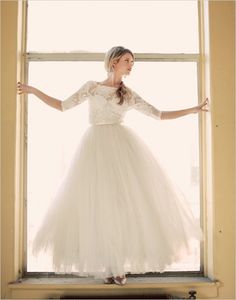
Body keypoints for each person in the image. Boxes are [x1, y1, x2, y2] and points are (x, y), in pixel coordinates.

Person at [17, 46, 209, 286]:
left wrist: (192, 110)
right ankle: (110, 266)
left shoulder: (127, 94)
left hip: (121, 149)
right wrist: (33, 90)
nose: (131, 65)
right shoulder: (91, 87)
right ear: (114, 62)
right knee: (98, 205)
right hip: (94, 148)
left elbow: (158, 114)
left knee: (120, 205)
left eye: (132, 61)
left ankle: (118, 267)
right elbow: (62, 105)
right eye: (128, 60)